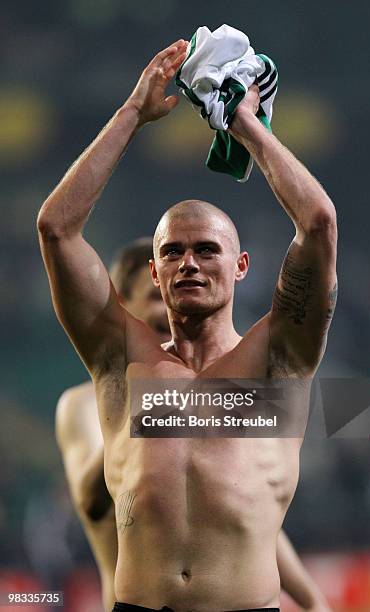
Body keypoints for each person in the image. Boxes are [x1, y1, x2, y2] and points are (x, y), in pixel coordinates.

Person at [38, 39, 337, 611]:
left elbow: (318, 224)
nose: (189, 263)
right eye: (172, 252)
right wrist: (133, 113)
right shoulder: (120, 359)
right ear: (153, 270)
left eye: (207, 250)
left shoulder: (279, 359)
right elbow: (56, 228)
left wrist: (246, 124)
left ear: (241, 265)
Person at [55, 239, 170, 611]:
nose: (171, 309)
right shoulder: (80, 404)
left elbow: (251, 511)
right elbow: (91, 500)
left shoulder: (201, 394)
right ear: (121, 305)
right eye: (157, 295)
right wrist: (151, 409)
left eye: (175, 295)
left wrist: (311, 598)